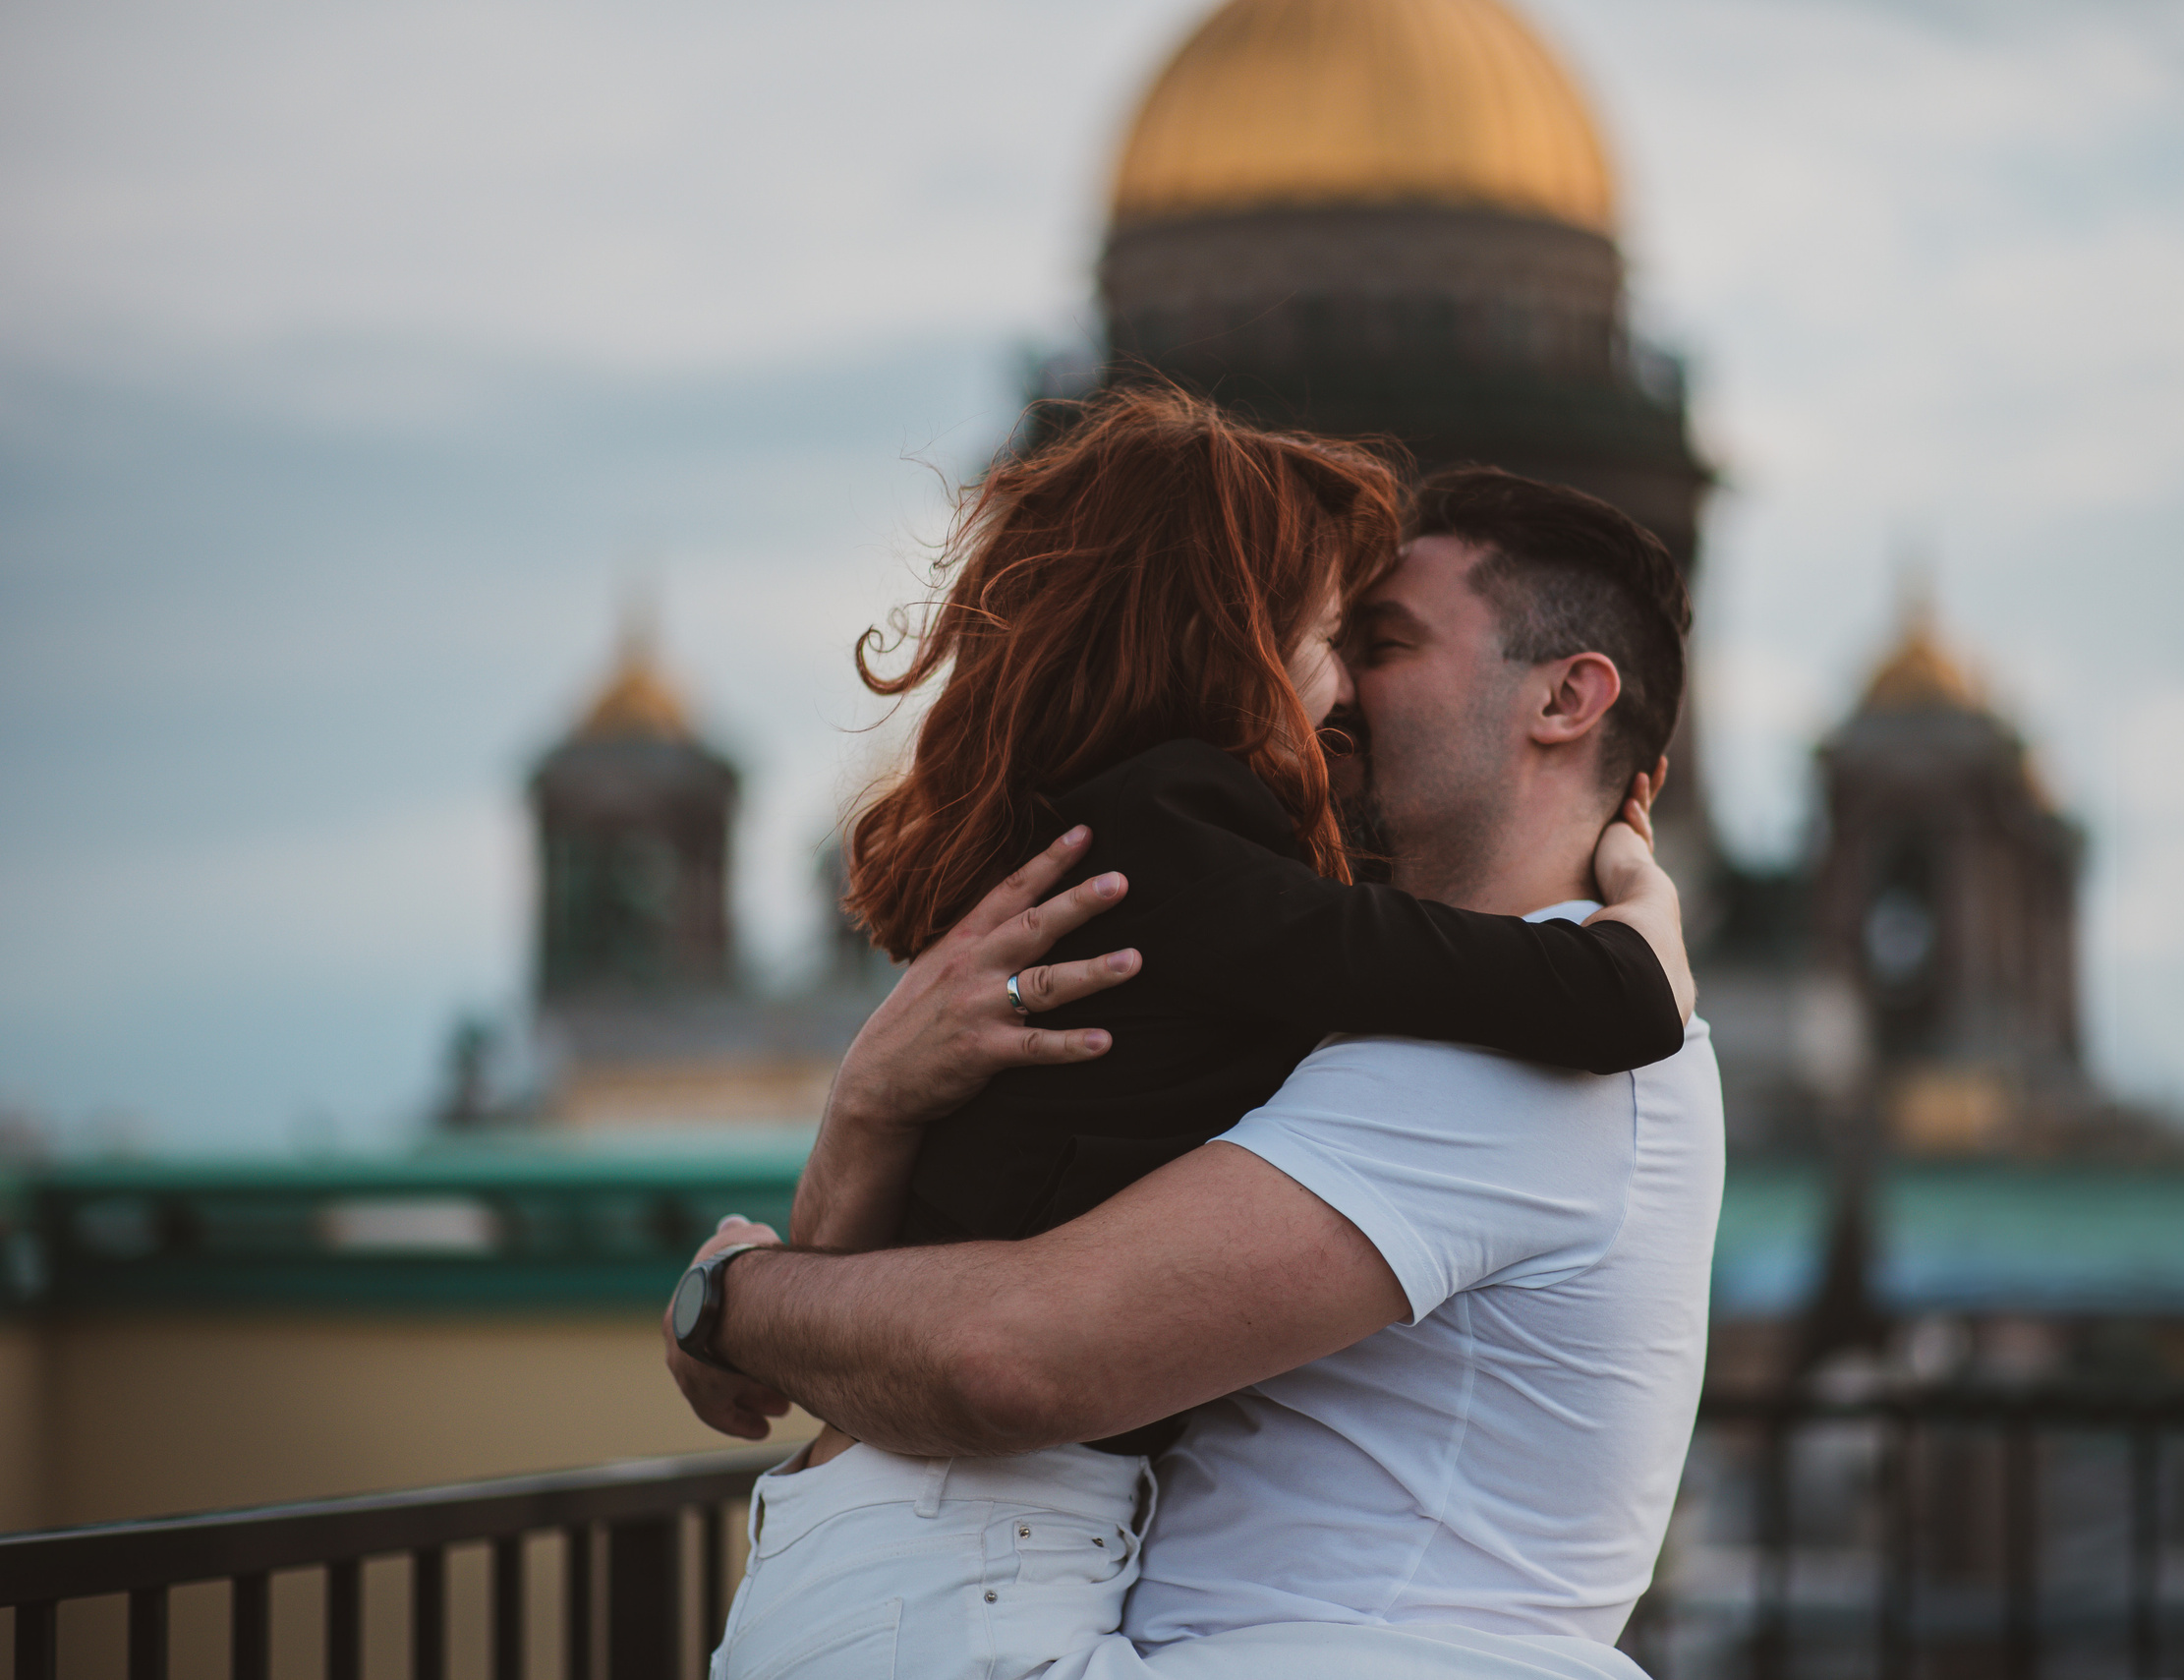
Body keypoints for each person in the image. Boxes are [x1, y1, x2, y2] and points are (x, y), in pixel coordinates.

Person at [668, 396, 1700, 1678]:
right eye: (1334, 633)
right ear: (1236, 642)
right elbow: (963, 1350)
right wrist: (1647, 920)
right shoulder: (1190, 854)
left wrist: (734, 1293)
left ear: (1567, 697)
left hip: (940, 1568)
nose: (1344, 690)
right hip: (947, 1581)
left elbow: (970, 1338)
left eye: (1380, 638)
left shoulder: (1455, 1046)